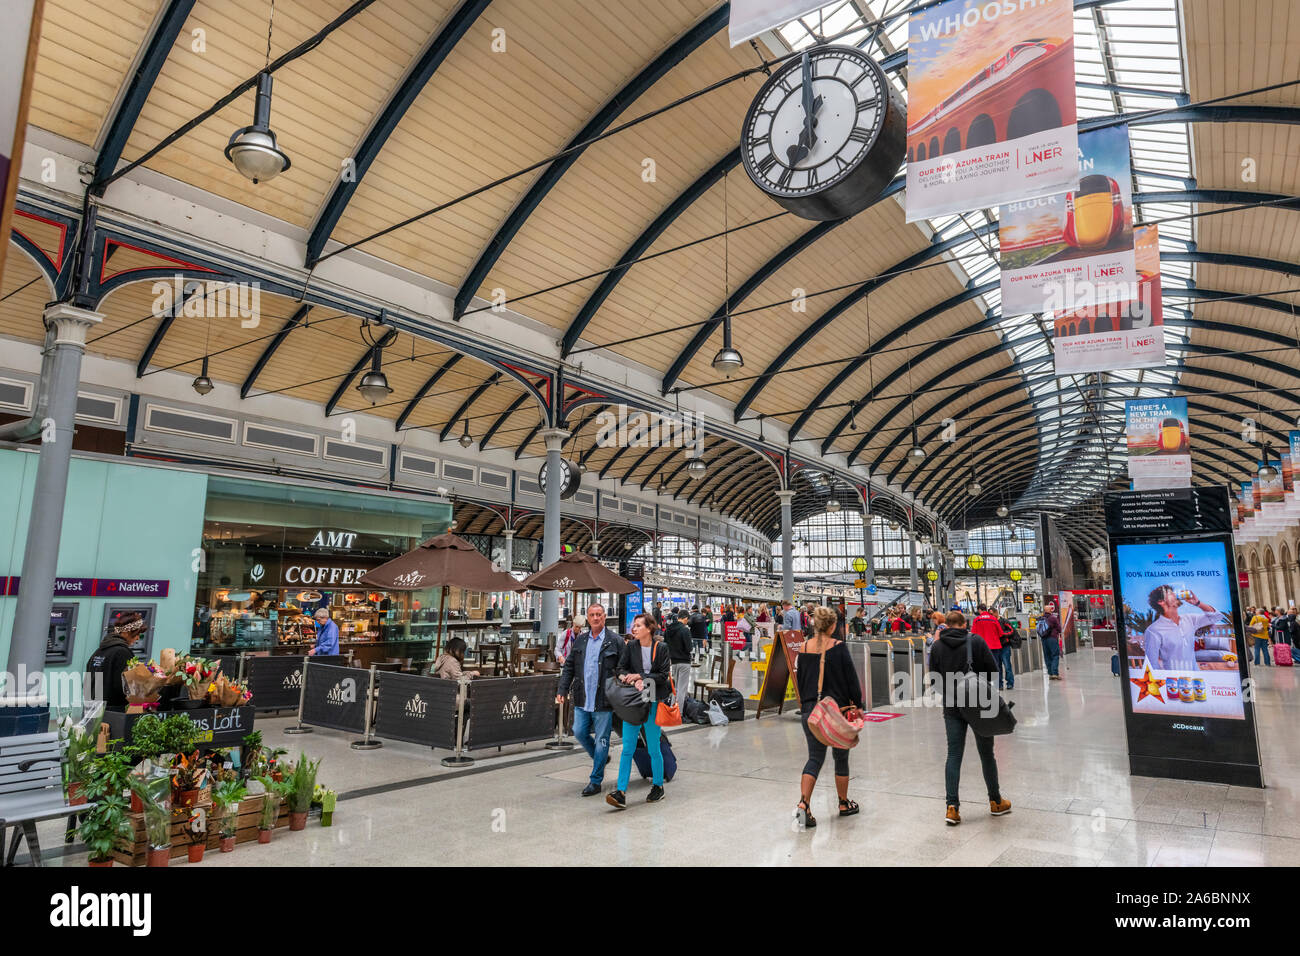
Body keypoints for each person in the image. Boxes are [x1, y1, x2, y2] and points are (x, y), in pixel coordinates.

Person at [927, 610, 1011, 826]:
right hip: (979, 705)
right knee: (987, 754)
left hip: (952, 706)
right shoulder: (976, 641)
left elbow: (934, 680)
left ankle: (952, 807)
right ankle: (995, 802)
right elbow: (993, 672)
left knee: (954, 754)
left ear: (947, 624)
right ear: (965, 624)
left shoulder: (936, 646)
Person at [791, 606, 864, 828]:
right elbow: (851, 679)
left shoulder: (803, 647)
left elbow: (801, 681)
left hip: (811, 711)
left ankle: (804, 804)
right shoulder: (839, 647)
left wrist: (807, 705)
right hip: (836, 711)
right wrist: (858, 706)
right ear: (832, 626)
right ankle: (843, 803)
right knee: (840, 758)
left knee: (815, 758)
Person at [555, 604, 623, 796]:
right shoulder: (581, 641)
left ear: (604, 617)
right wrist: (562, 688)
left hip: (604, 700)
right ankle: (599, 757)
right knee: (578, 731)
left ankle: (595, 780)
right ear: (588, 618)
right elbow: (569, 667)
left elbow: (623, 668)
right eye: (592, 615)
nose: (595, 618)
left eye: (598, 615)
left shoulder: (615, 641)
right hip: (582, 697)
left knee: (602, 739)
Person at [607, 613, 672, 809]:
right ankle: (620, 792)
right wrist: (628, 677)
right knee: (627, 747)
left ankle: (658, 786)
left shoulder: (661, 648)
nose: (634, 629)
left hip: (652, 698)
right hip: (634, 702)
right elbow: (620, 669)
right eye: (633, 626)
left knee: (653, 747)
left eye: (638, 626)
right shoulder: (631, 647)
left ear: (649, 628)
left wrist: (641, 677)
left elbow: (662, 675)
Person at [86, 613, 148, 707]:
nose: (138, 638)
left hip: (92, 710)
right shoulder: (122, 653)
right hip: (114, 712)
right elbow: (123, 687)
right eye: (137, 633)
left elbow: (87, 683)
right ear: (126, 632)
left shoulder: (99, 651)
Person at [971, 604, 1011, 690]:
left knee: (982, 667)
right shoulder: (993, 619)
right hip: (994, 646)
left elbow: (973, 634)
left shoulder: (977, 620)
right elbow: (1000, 633)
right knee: (996, 666)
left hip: (981, 647)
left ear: (979, 610)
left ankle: (984, 686)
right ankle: (998, 685)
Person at [664, 609, 693, 707]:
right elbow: (689, 648)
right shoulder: (685, 630)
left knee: (675, 687)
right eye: (687, 619)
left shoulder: (668, 630)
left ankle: (672, 709)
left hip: (673, 662)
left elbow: (665, 646)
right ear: (685, 618)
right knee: (682, 689)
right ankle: (678, 714)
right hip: (684, 662)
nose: (687, 621)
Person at [1039, 602, 1063, 679]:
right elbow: (1059, 629)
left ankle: (1050, 673)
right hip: (1052, 638)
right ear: (1050, 610)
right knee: (1055, 655)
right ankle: (1055, 673)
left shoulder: (1041, 618)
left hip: (1043, 639)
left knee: (1047, 656)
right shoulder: (1053, 618)